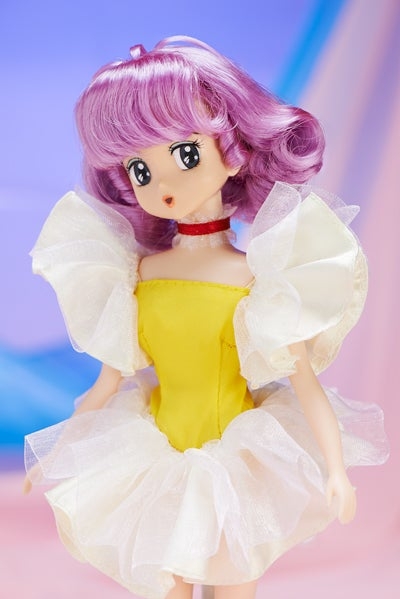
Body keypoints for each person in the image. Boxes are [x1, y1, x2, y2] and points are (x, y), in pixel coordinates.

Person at [24, 36, 388, 599]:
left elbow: (304, 383)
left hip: (235, 462)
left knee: (232, 584)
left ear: (233, 150)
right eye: (140, 169)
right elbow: (108, 382)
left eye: (185, 155)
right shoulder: (138, 275)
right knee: (164, 585)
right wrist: (57, 450)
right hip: (154, 460)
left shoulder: (257, 278)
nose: (163, 184)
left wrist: (336, 470)